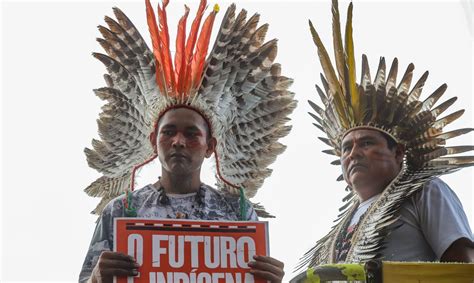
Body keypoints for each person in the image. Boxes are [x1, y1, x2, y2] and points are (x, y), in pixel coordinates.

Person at [79, 1, 296, 282]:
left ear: (210, 147)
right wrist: (97, 278)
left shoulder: (239, 212)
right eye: (168, 132)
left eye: (191, 134)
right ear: (153, 141)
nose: (178, 141)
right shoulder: (121, 211)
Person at [296, 0, 473, 271]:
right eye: (345, 148)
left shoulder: (425, 191)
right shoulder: (338, 230)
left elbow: (463, 266)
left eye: (366, 143)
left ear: (398, 152)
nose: (353, 153)